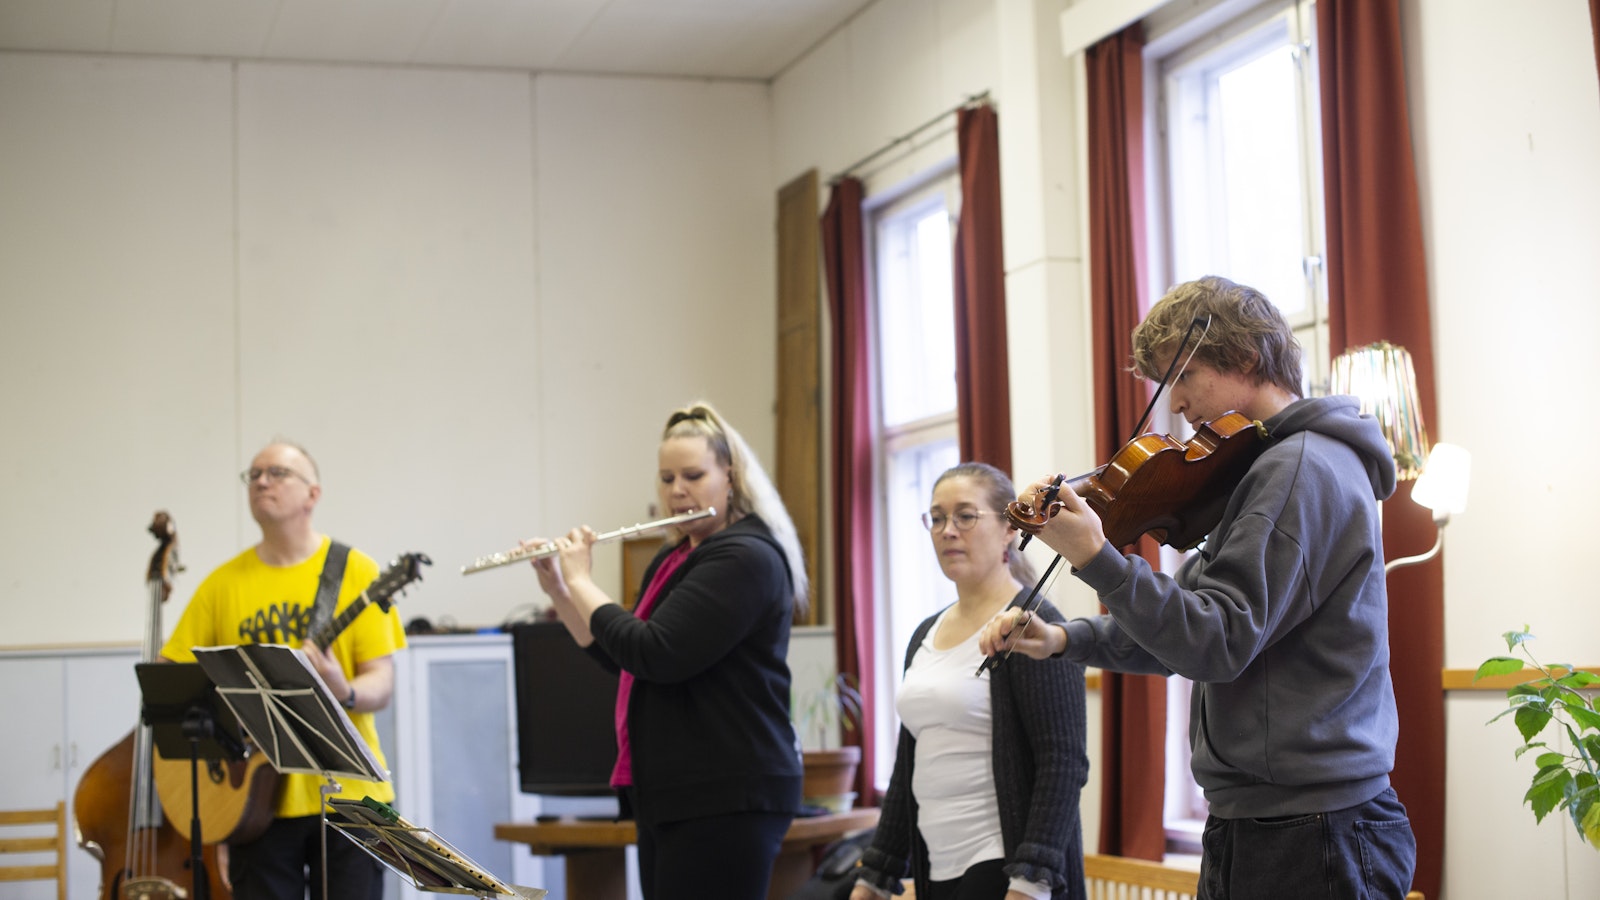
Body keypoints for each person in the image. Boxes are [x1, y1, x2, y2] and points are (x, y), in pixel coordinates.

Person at [979, 276, 1417, 900]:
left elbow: (1216, 640)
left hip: (1312, 829)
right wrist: (1062, 639)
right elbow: (1183, 632)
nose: (1176, 404)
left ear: (1242, 357)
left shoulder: (1297, 470)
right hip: (1271, 821)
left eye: (1182, 376)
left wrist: (1098, 557)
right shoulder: (1262, 469)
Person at [527, 400, 807, 900]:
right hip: (674, 792)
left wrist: (582, 578)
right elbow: (621, 654)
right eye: (667, 478)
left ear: (730, 475)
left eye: (694, 475)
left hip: (726, 792)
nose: (678, 491)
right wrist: (561, 592)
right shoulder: (678, 554)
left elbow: (657, 651)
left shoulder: (745, 556)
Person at [161, 440, 407, 900]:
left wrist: (344, 690)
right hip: (255, 799)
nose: (261, 481)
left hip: (356, 797)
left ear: (312, 494)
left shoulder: (357, 570)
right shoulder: (222, 584)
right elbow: (170, 674)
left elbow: (382, 681)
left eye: (276, 472)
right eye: (253, 474)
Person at [849, 462, 1088, 900]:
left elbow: (1063, 763)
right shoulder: (924, 633)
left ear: (1008, 530)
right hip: (938, 865)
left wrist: (1029, 881)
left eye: (965, 515)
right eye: (937, 518)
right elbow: (909, 766)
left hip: (1005, 867)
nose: (947, 530)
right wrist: (875, 876)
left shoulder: (1032, 626)